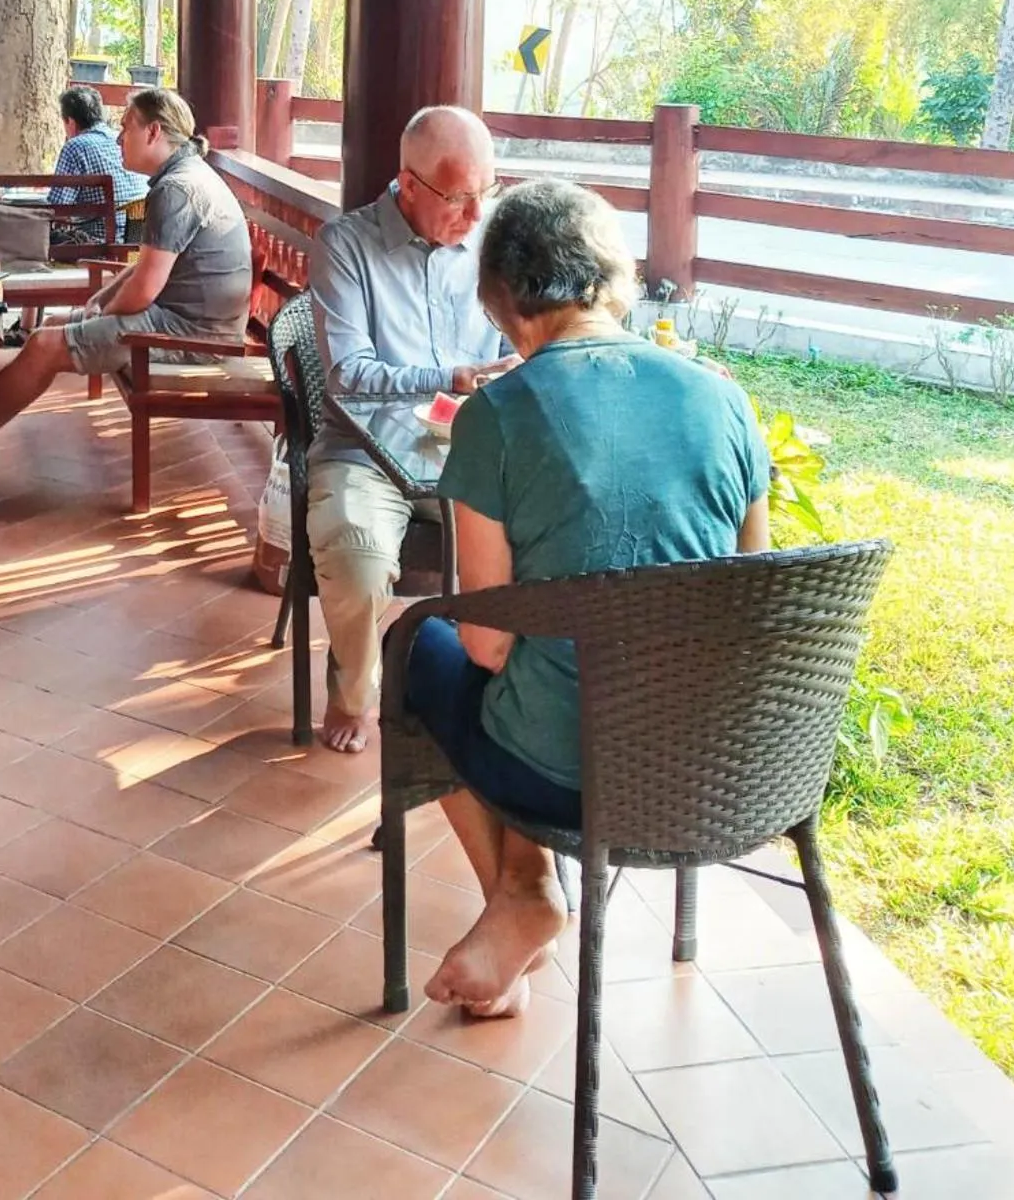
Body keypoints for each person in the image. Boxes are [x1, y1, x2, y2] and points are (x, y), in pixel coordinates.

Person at [407, 178, 770, 1020]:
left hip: (573, 777)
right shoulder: (724, 396)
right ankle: (526, 890)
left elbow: (489, 648)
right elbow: (748, 596)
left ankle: (527, 887)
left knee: (420, 653)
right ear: (616, 278)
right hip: (720, 764)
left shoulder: (497, 415)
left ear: (499, 302)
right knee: (540, 656)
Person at [0, 87, 251, 475]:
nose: (118, 139)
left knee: (48, 342)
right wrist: (98, 301)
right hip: (182, 318)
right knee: (50, 326)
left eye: (126, 128)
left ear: (153, 132)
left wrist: (96, 315)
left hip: (192, 335)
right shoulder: (185, 176)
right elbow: (142, 270)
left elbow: (143, 291)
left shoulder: (178, 189)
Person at [307, 107, 516, 754]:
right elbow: (346, 374)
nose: (476, 216)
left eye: (487, 194)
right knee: (359, 556)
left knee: (557, 535)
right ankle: (354, 689)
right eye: (458, 198)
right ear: (408, 183)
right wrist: (452, 376)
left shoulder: (491, 246)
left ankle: (518, 705)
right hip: (365, 449)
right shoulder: (346, 246)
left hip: (475, 450)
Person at [49, 86, 148, 245]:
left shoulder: (76, 146)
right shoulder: (121, 139)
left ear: (70, 122)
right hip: (136, 241)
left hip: (98, 243)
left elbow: (57, 209)